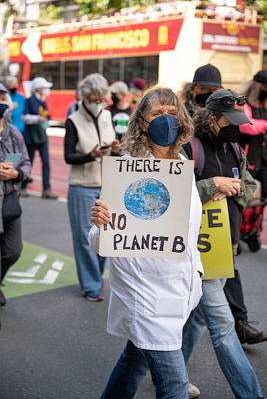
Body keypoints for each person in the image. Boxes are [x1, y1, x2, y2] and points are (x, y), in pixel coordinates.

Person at [89, 87, 204, 398]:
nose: (166, 121)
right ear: (141, 122)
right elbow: (103, 241)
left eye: (172, 113)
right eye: (157, 114)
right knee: (174, 386)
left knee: (134, 364)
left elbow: (190, 228)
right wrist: (100, 225)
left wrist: (198, 272)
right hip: (147, 297)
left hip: (180, 291)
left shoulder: (182, 166)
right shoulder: (126, 171)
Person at [182, 89, 267, 399]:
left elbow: (250, 188)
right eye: (229, 120)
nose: (236, 127)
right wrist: (210, 186)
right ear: (212, 118)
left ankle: (171, 371)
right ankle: (251, 395)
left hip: (223, 246)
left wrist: (232, 189)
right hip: (196, 250)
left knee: (198, 317)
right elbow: (175, 194)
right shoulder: (189, 147)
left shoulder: (234, 148)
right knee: (222, 324)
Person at [64, 73, 120, 302]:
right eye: (94, 100)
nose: (99, 104)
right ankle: (90, 284)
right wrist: (91, 155)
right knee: (85, 238)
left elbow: (113, 147)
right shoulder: (73, 120)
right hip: (82, 186)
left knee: (105, 236)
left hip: (106, 184)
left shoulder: (107, 115)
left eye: (101, 99)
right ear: (85, 97)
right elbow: (69, 156)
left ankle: (96, 277)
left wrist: (115, 148)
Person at [0, 83, 31, 308]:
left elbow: (27, 163)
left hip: (10, 199)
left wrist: (17, 172)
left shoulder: (13, 132)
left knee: (13, 250)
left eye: (3, 98)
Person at [20, 77, 58, 199]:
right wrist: (37, 118)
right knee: (28, 162)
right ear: (38, 88)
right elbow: (24, 117)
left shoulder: (43, 100)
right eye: (44, 87)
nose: (47, 90)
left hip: (41, 136)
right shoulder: (30, 100)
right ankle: (23, 187)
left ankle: (46, 189)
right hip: (31, 137)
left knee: (46, 162)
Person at [238, 69, 267, 200]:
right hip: (248, 159)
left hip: (263, 159)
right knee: (245, 195)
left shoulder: (263, 105)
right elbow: (246, 126)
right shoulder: (244, 104)